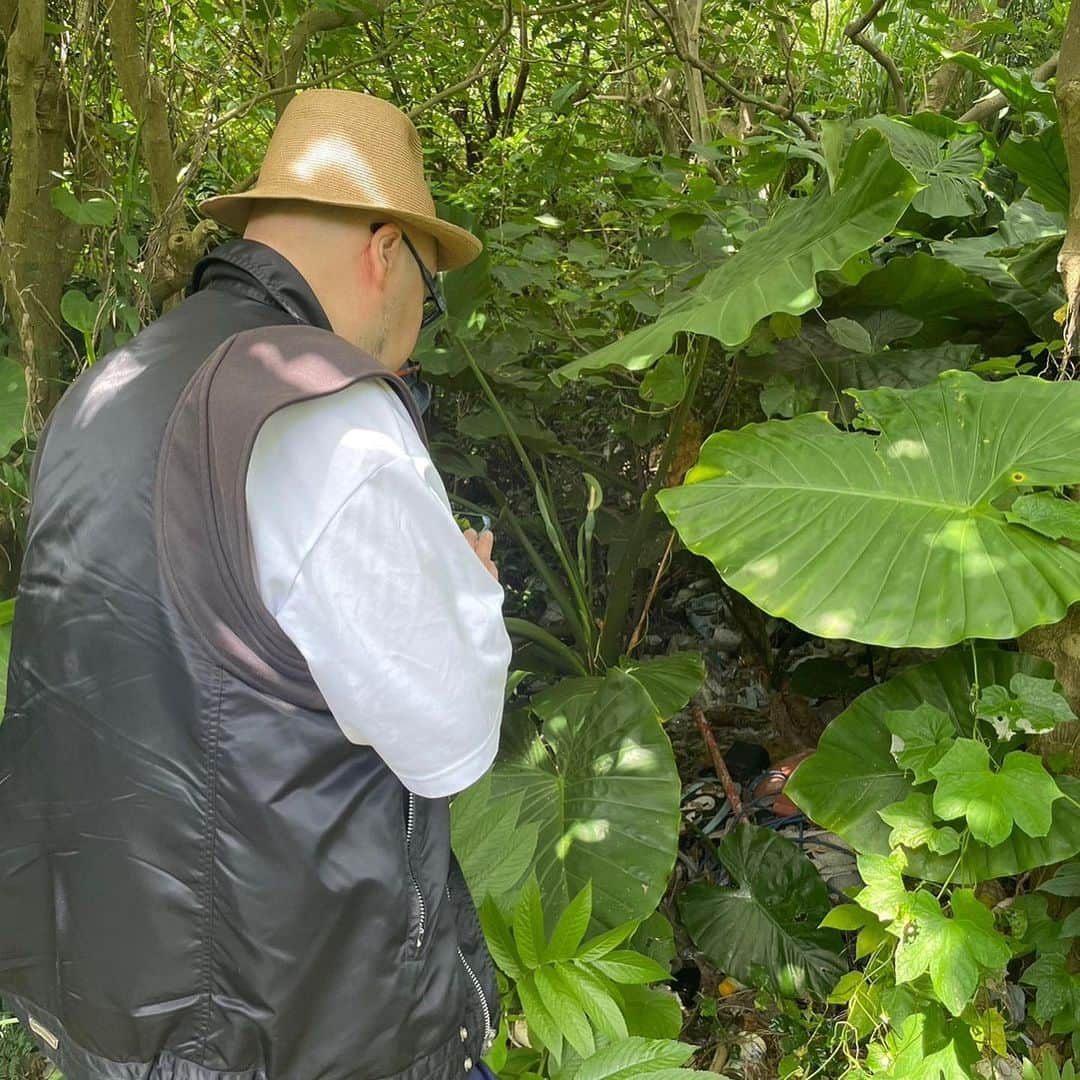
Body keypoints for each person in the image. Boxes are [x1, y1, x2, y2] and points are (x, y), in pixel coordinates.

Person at [0, 89, 512, 1080]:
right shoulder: (330, 421)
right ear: (385, 250)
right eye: (428, 287)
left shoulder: (107, 387)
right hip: (299, 1034)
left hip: (106, 1012)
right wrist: (473, 597)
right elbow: (450, 741)